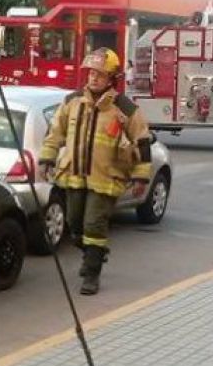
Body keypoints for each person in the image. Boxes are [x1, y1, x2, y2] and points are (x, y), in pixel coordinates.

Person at [38, 48, 153, 295]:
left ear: (112, 77)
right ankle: (96, 253)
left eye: (100, 74)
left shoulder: (125, 108)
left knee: (93, 224)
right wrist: (46, 159)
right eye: (91, 73)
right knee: (74, 224)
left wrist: (141, 176)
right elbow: (54, 134)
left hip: (106, 179)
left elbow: (143, 142)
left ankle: (91, 274)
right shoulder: (72, 102)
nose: (93, 78)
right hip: (74, 176)